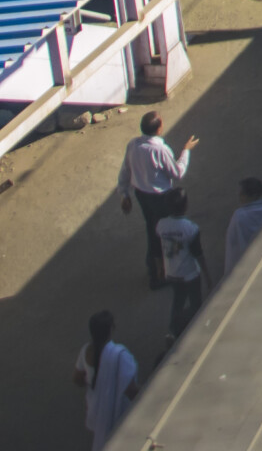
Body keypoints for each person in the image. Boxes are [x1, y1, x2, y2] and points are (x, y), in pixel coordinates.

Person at [115, 111, 197, 289]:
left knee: (152, 229)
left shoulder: (133, 145)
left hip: (142, 196)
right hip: (161, 198)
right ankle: (160, 273)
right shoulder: (160, 150)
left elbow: (125, 171)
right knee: (162, 233)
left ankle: (154, 267)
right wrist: (186, 151)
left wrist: (124, 193)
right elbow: (177, 173)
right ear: (159, 129)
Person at [73, 310, 139, 449]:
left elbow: (77, 379)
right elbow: (131, 389)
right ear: (111, 329)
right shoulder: (119, 355)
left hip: (95, 408)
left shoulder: (85, 350)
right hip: (118, 411)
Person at [154, 190, 207, 342]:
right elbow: (198, 253)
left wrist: (159, 268)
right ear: (186, 206)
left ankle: (172, 331)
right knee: (196, 303)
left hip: (171, 273)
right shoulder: (190, 228)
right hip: (189, 273)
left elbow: (157, 249)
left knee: (177, 301)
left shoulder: (161, 225)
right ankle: (195, 331)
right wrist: (207, 274)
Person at [224, 177, 262, 277]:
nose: (239, 196)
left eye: (242, 194)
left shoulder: (239, 216)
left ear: (253, 196)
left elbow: (233, 244)